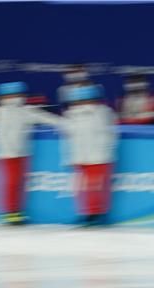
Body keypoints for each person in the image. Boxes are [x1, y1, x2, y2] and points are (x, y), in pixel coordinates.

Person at [0, 81, 60, 224]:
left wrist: (67, 124)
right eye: (12, 95)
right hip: (5, 155)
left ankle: (16, 211)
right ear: (3, 97)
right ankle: (9, 212)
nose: (16, 97)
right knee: (9, 184)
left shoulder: (25, 111)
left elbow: (47, 118)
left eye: (18, 94)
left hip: (20, 154)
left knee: (17, 184)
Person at [59, 84, 118, 225]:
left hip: (98, 158)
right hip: (81, 158)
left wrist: (106, 154)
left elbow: (109, 135)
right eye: (78, 101)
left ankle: (95, 214)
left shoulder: (103, 113)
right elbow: (67, 137)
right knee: (81, 188)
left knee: (95, 187)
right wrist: (68, 157)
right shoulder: (70, 116)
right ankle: (86, 212)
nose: (81, 104)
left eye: (84, 100)